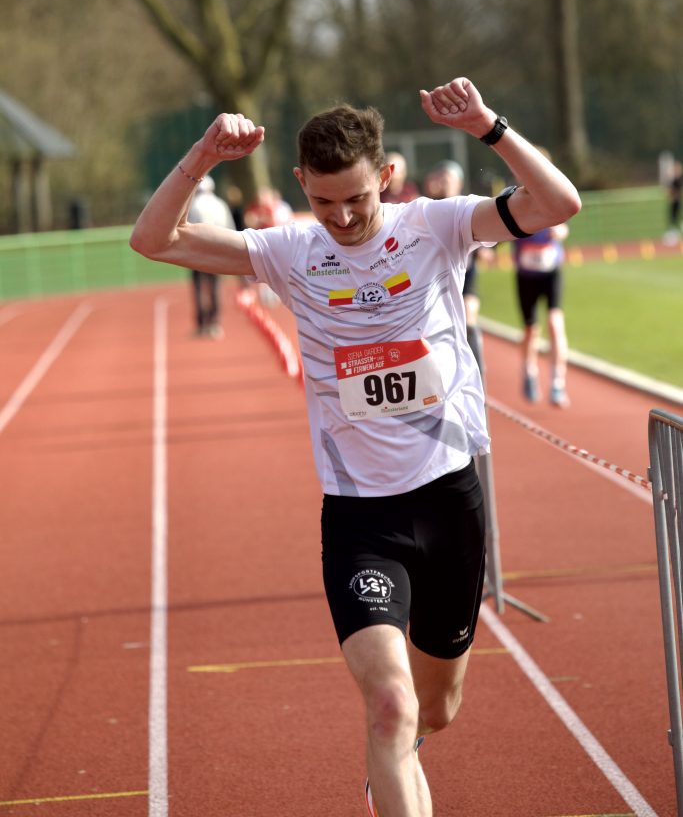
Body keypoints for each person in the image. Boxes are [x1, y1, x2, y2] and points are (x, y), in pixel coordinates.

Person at [130, 75, 581, 817]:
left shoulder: (437, 225)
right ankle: (391, 752)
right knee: (390, 707)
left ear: (387, 178)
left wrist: (487, 127)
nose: (340, 216)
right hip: (360, 518)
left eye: (358, 199)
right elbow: (152, 241)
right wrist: (203, 155)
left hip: (448, 499)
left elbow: (559, 206)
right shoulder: (288, 250)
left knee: (434, 710)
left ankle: (396, 755)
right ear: (301, 184)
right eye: (323, 200)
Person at [511, 150, 571, 407]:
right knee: (531, 330)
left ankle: (558, 383)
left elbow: (566, 222)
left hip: (551, 269)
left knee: (555, 323)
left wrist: (560, 231)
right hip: (526, 274)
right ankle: (529, 372)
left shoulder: (554, 192)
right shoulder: (514, 195)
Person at [422, 159, 491, 373]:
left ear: (459, 182)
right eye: (440, 178)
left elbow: (486, 232)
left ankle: (477, 371)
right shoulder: (429, 206)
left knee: (469, 314)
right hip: (437, 279)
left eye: (448, 178)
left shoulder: (467, 206)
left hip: (466, 275)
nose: (444, 182)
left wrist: (486, 250)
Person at [187, 174, 235, 338]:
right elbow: (230, 227)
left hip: (197, 252)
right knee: (215, 288)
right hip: (217, 250)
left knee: (199, 288)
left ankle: (201, 325)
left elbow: (188, 229)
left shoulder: (193, 205)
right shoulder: (220, 204)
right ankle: (214, 323)